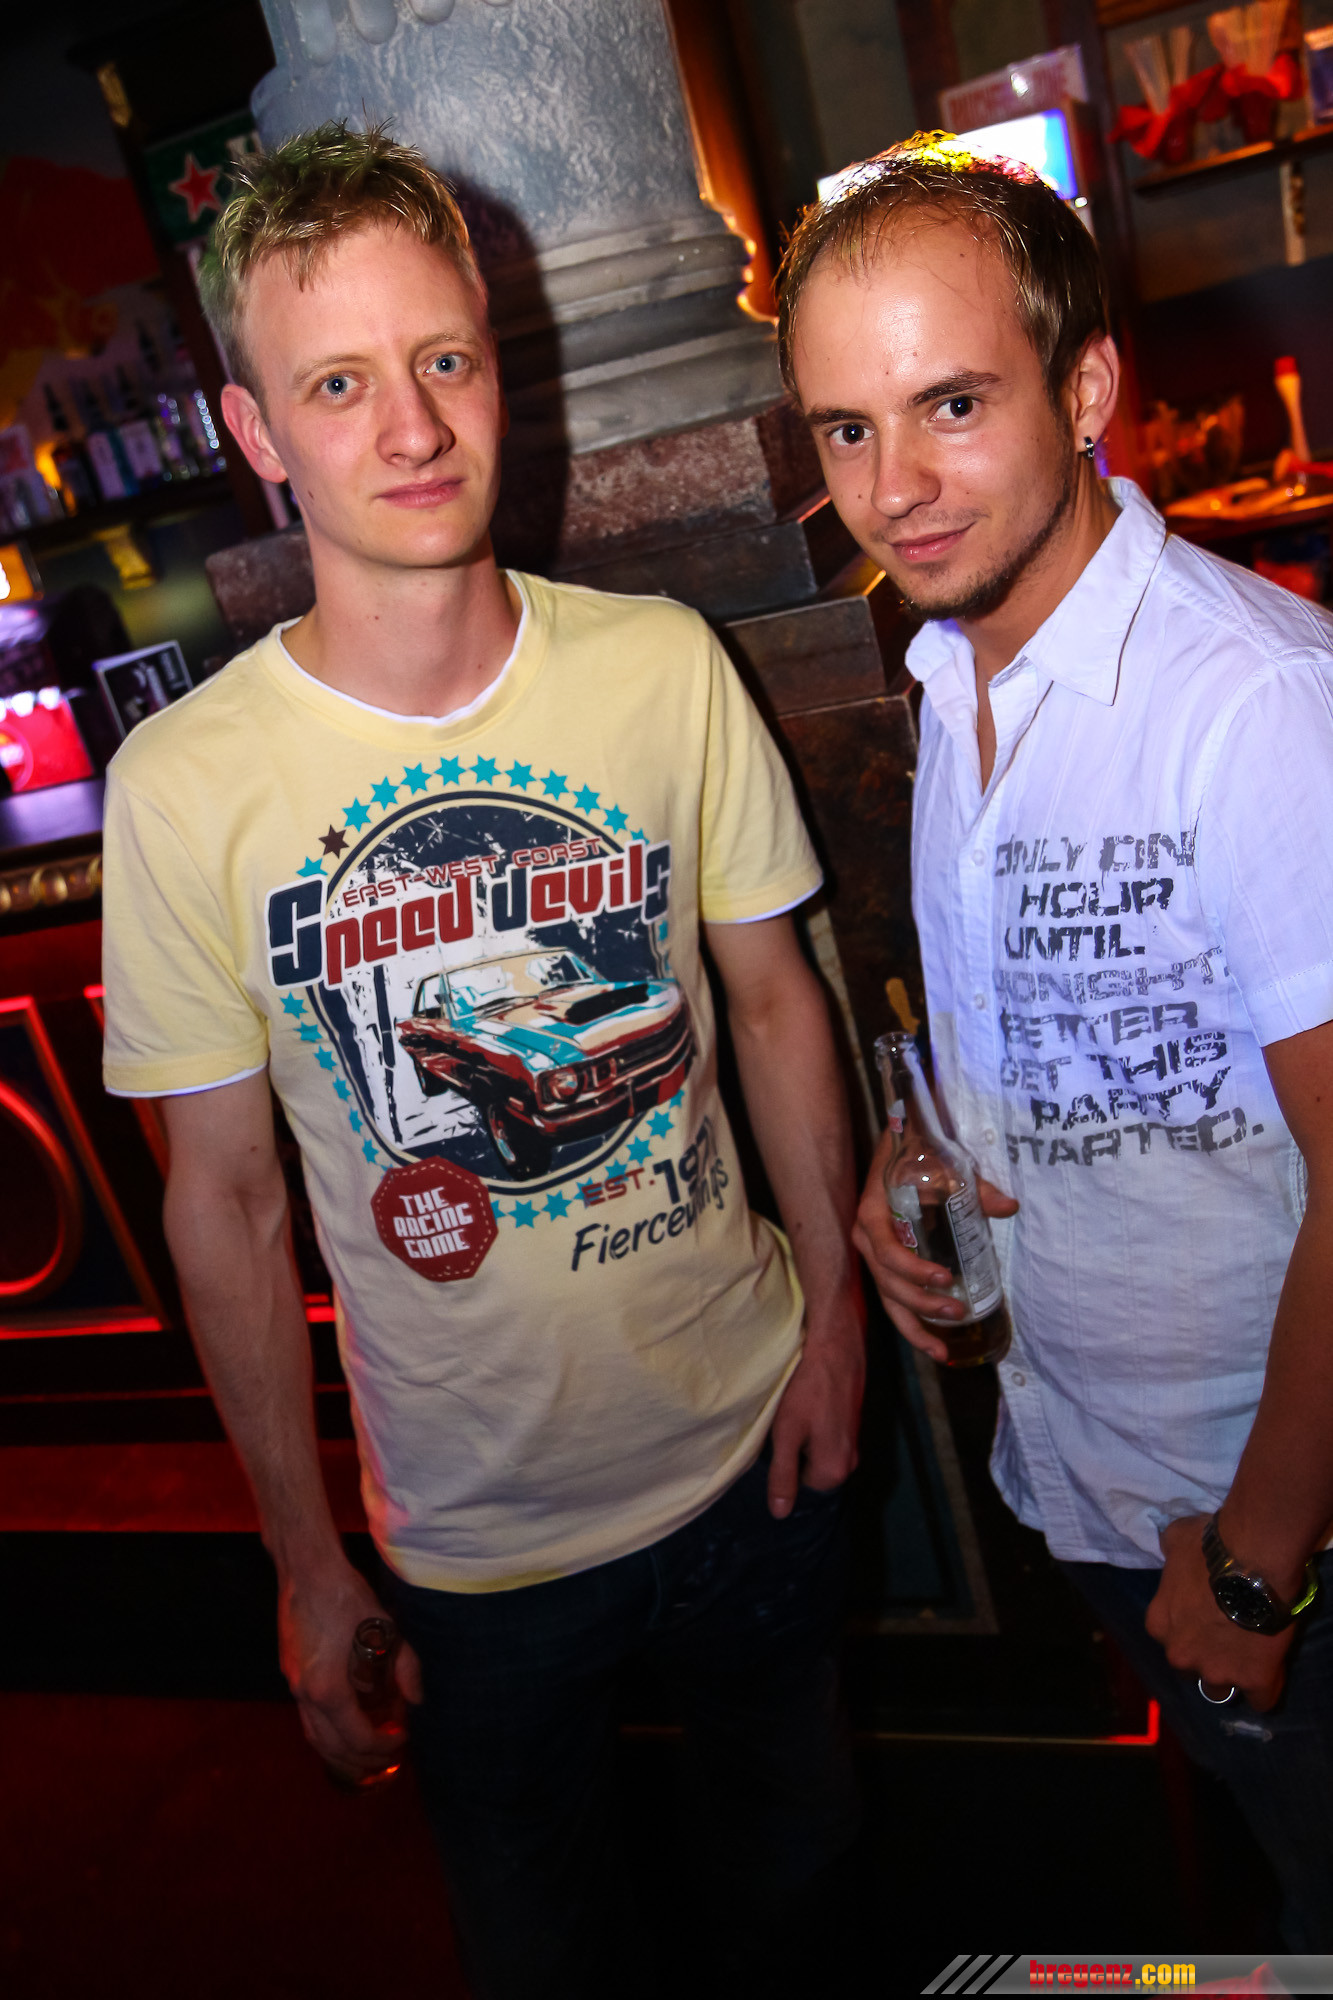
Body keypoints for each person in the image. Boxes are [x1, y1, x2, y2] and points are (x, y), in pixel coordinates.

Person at [100, 123, 865, 1999]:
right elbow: (222, 1202)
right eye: (338, 384)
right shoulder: (182, 790)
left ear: (499, 365)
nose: (413, 426)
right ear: (257, 431)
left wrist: (839, 1319)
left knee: (809, 1917)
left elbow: (775, 1004)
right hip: (473, 1553)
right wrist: (303, 1560)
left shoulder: (660, 664)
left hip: (756, 1446)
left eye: (443, 358)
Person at [779, 134, 1333, 1950]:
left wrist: (1257, 1560)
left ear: (1083, 389)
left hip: (1269, 1522)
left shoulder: (1252, 705)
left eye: (950, 405)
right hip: (1089, 1481)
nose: (893, 488)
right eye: (845, 428)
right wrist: (916, 1160)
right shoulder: (953, 676)